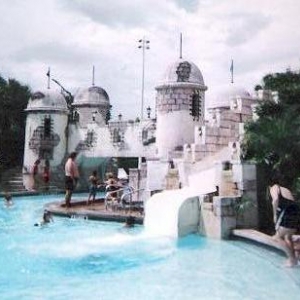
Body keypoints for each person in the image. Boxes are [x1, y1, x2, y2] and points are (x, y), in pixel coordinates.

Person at [269, 174, 300, 267]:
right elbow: (292, 203)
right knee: (288, 237)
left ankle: (292, 260)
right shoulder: (285, 189)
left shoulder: (274, 187)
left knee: (277, 237)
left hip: (288, 211)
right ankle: (295, 258)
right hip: (296, 211)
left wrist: (274, 215)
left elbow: (275, 200)